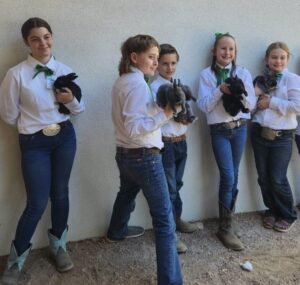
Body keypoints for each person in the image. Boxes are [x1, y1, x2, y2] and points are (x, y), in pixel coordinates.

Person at [0, 17, 84, 285]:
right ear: (27, 42)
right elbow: (8, 115)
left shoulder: (64, 69)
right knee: (36, 202)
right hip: (34, 143)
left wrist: (70, 101)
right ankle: (15, 262)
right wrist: (32, 127)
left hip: (64, 138)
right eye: (35, 38)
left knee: (60, 194)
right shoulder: (16, 74)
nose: (42, 43)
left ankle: (58, 246)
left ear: (52, 37)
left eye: (46, 36)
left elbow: (80, 110)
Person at [105, 35, 182, 285]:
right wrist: (167, 114)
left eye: (157, 58)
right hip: (144, 157)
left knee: (126, 193)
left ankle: (116, 232)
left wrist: (161, 110)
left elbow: (132, 121)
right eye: (151, 57)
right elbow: (134, 127)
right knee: (164, 220)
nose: (155, 62)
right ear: (134, 57)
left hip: (125, 155)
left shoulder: (124, 81)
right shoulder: (137, 84)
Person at [197, 33, 256, 251]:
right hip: (219, 131)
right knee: (228, 176)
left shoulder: (243, 72)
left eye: (231, 49)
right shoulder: (206, 75)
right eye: (223, 48)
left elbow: (251, 105)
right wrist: (219, 90)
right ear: (214, 51)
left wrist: (241, 94)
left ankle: (228, 221)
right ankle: (224, 228)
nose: (227, 53)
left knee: (235, 174)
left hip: (239, 129)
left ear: (235, 52)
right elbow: (204, 106)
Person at [151, 44, 198, 254]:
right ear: (157, 63)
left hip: (181, 141)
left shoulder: (179, 85)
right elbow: (156, 117)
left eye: (173, 63)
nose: (169, 67)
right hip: (166, 143)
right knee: (169, 189)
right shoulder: (154, 88)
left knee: (177, 184)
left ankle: (177, 220)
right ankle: (169, 233)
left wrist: (188, 119)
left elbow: (187, 110)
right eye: (164, 63)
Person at [251, 42, 300, 232]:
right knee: (263, 177)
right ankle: (271, 210)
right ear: (266, 59)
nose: (277, 61)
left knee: (278, 178)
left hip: (282, 137)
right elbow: (252, 104)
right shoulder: (260, 79)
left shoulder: (293, 79)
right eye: (274, 57)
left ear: (287, 59)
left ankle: (287, 214)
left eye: (282, 57)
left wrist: (271, 102)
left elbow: (297, 106)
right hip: (259, 133)